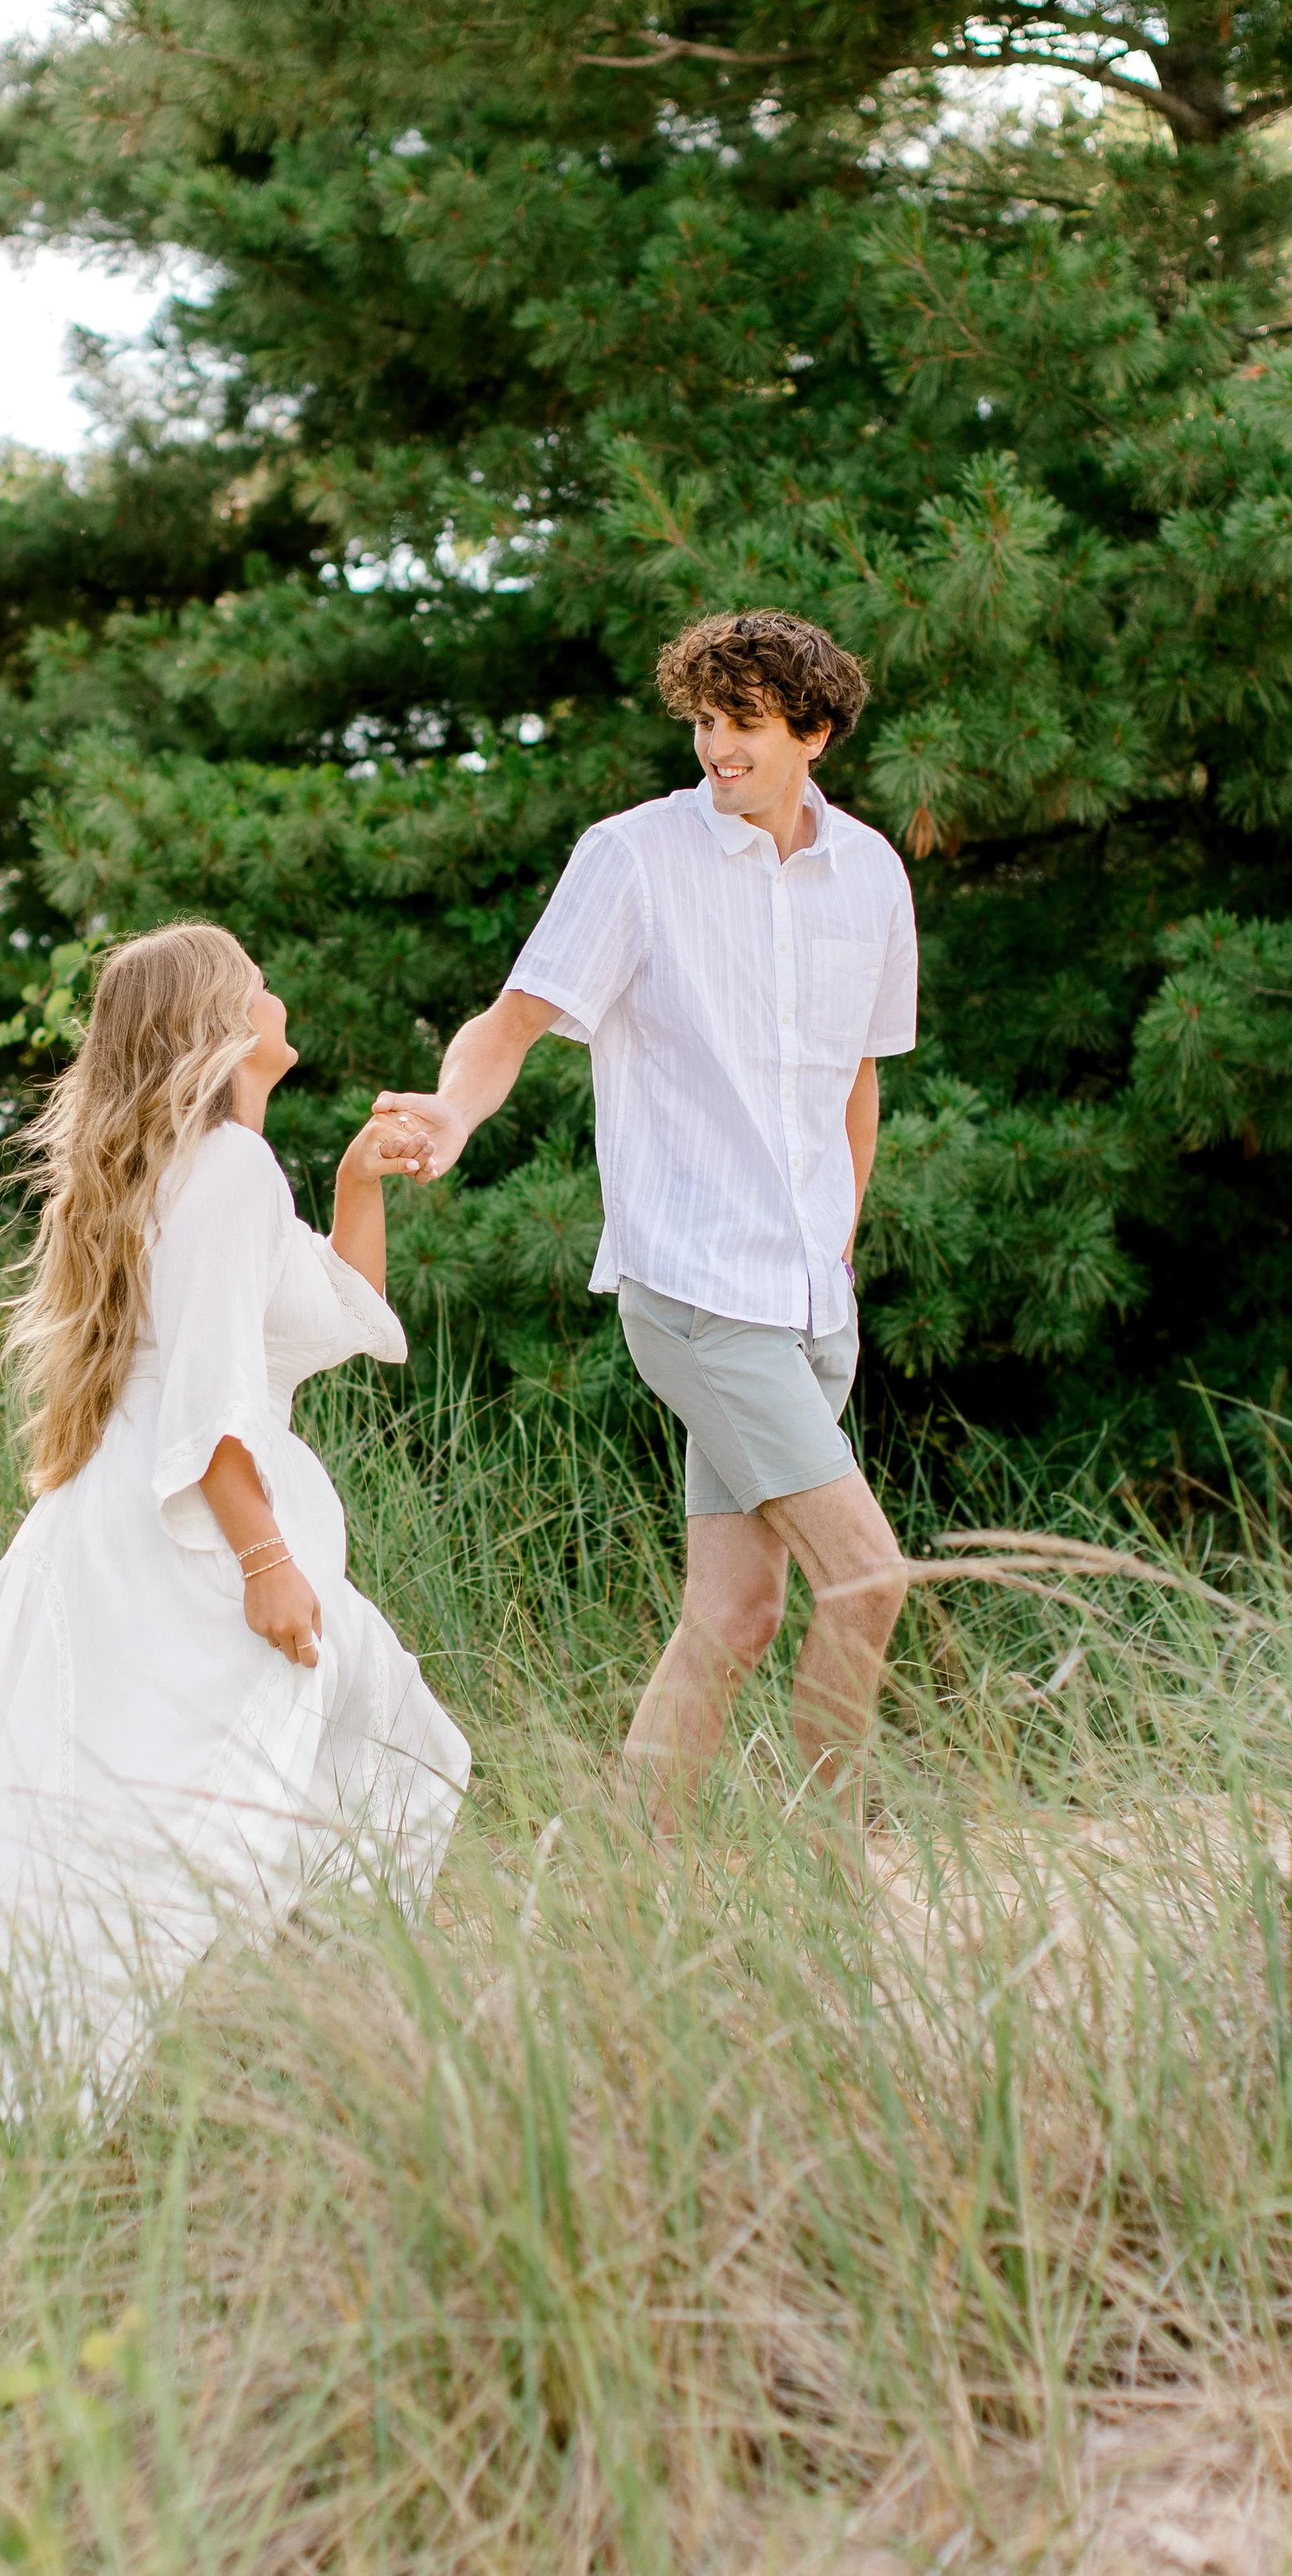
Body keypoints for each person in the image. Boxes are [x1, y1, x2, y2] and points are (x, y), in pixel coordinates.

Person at [0, 922, 469, 2177]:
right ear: (218, 1022)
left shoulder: (200, 1170)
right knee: (345, 1776)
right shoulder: (224, 1170)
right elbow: (217, 1406)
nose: (275, 987)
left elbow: (328, 1323)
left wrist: (356, 1186)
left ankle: (227, 2073)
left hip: (118, 1538)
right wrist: (267, 1564)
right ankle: (261, 2084)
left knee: (110, 1825)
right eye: (254, 976)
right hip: (189, 1546)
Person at [376, 611, 915, 1835]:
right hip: (696, 1292)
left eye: (747, 725)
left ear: (814, 732)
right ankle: (834, 1879)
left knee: (733, 1618)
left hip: (811, 1304)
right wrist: (455, 1114)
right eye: (705, 722)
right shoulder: (630, 858)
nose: (718, 747)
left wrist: (841, 1239)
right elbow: (508, 1023)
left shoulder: (874, 874)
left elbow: (858, 1081)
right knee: (870, 1577)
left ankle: (625, 1881)